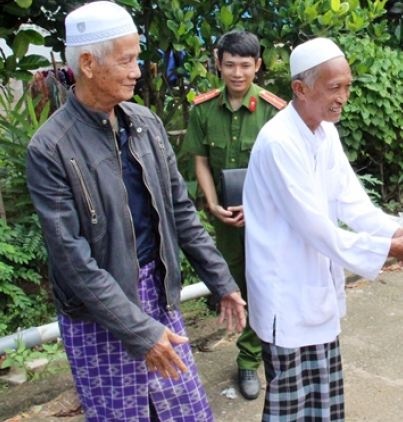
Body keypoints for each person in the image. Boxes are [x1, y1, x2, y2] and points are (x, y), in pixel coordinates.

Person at [26, 3, 246, 421]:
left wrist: (221, 280)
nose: (137, 71)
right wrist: (140, 332)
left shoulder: (144, 123)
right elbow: (73, 261)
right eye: (126, 60)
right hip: (98, 313)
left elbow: (180, 212)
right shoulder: (51, 148)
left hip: (158, 293)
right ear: (88, 64)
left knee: (187, 413)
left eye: (136, 58)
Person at [242, 37, 403, 421]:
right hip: (285, 293)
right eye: (334, 87)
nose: (343, 97)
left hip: (314, 288)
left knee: (324, 401)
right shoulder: (278, 142)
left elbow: (355, 205)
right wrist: (395, 250)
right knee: (291, 406)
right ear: (301, 89)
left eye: (348, 86)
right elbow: (317, 229)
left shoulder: (325, 132)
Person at [183, 30, 285, 401]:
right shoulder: (203, 109)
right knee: (236, 284)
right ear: (218, 63)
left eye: (245, 65)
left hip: (267, 220)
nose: (237, 73)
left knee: (266, 284)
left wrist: (258, 208)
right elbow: (200, 162)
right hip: (225, 220)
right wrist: (211, 205)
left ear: (258, 65)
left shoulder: (276, 111)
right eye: (230, 65)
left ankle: (250, 359)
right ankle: (255, 345)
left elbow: (285, 172)